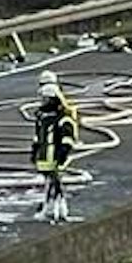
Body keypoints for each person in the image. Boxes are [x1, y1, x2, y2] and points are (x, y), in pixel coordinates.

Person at [31, 81, 80, 224]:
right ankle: (51, 206)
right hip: (44, 156)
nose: (43, 102)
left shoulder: (63, 120)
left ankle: (57, 207)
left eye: (45, 99)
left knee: (55, 182)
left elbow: (67, 139)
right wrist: (35, 151)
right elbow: (38, 136)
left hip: (54, 156)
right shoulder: (42, 119)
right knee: (50, 182)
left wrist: (62, 154)